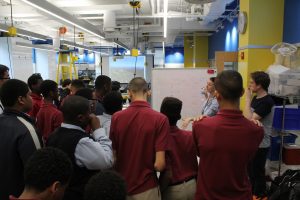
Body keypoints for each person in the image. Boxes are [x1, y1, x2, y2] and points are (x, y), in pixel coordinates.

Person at [192, 70, 263, 200]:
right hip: (241, 195)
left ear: (217, 95)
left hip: (207, 196)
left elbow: (199, 154)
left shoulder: (200, 126)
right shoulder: (256, 130)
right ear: (242, 93)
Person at [110, 77, 169, 200]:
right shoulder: (160, 119)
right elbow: (159, 165)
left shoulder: (116, 117)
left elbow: (113, 158)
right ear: (148, 92)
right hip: (147, 188)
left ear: (129, 92)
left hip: (121, 188)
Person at [47, 95, 113, 200]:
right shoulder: (81, 142)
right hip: (78, 194)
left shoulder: (53, 135)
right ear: (81, 118)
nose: (91, 115)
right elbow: (107, 161)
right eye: (89, 113)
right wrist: (98, 130)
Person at [0, 79, 42, 200]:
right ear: (21, 99)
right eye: (29, 95)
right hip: (19, 194)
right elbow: (37, 170)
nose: (32, 98)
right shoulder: (27, 129)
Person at [160, 97, 198, 200]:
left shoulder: (162, 139)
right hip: (193, 186)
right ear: (179, 117)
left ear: (161, 114)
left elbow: (168, 174)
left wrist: (159, 191)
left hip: (173, 190)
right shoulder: (190, 136)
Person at [244, 71, 275, 199]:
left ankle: (260, 195)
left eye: (252, 82)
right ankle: (252, 193)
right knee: (250, 171)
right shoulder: (256, 98)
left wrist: (246, 99)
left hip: (261, 143)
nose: (249, 85)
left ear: (260, 85)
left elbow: (249, 120)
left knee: (257, 172)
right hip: (252, 141)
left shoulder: (267, 101)